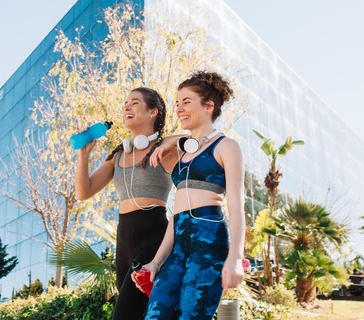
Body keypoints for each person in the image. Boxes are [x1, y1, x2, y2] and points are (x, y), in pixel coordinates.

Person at [143, 71, 245, 320]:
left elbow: (236, 203)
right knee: (155, 314)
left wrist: (235, 257)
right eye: (177, 103)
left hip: (209, 237)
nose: (179, 109)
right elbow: (176, 215)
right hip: (179, 238)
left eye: (187, 102)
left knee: (192, 315)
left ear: (209, 106)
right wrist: (156, 262)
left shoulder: (226, 146)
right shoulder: (183, 153)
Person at [75, 87, 171, 320]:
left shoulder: (165, 148)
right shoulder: (117, 155)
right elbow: (84, 192)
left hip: (153, 234)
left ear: (152, 112)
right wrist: (83, 155)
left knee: (124, 315)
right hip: (124, 238)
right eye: (125, 102)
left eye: (135, 103)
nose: (127, 106)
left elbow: (192, 146)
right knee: (141, 314)